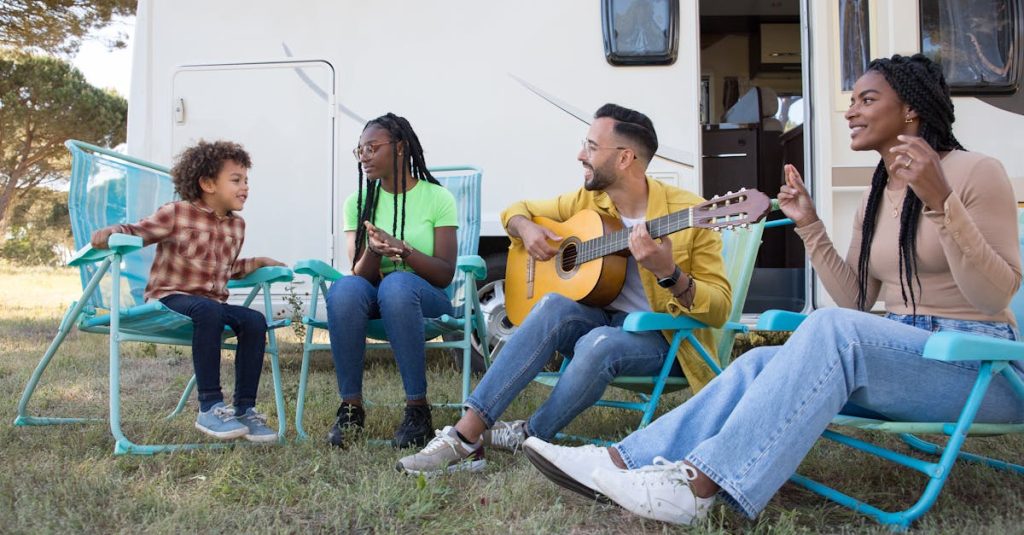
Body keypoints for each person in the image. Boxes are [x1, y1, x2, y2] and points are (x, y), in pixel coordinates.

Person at [522, 54, 1024, 526]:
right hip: (903, 357)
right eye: (852, 100)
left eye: (867, 100)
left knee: (832, 330)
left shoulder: (975, 172)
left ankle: (695, 489)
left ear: (911, 108)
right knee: (757, 363)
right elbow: (855, 302)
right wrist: (810, 226)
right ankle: (618, 460)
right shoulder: (880, 191)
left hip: (982, 367)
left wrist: (940, 201)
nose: (850, 111)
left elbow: (993, 296)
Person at [397, 103, 732, 474]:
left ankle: (531, 433)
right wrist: (527, 228)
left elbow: (719, 309)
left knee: (598, 342)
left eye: (591, 146)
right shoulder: (591, 201)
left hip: (666, 341)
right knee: (554, 305)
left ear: (624, 158)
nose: (580, 155)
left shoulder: (692, 213)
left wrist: (669, 273)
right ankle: (465, 436)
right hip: (604, 320)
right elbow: (516, 210)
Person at [90, 140, 286, 442]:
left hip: (210, 305)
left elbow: (225, 268)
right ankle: (209, 407)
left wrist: (256, 262)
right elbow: (139, 232)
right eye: (236, 180)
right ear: (207, 183)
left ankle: (245, 410)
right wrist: (113, 233)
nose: (245, 187)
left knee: (253, 320)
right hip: (169, 299)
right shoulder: (177, 213)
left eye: (246, 180)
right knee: (207, 309)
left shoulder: (237, 227)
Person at [324, 113, 458, 449]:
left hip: (427, 296)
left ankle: (417, 410)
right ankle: (350, 409)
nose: (364, 157)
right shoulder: (358, 202)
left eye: (372, 148)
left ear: (399, 148)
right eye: (360, 150)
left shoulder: (437, 198)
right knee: (344, 289)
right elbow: (359, 273)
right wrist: (373, 249)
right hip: (376, 294)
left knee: (396, 286)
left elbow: (445, 272)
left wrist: (404, 251)